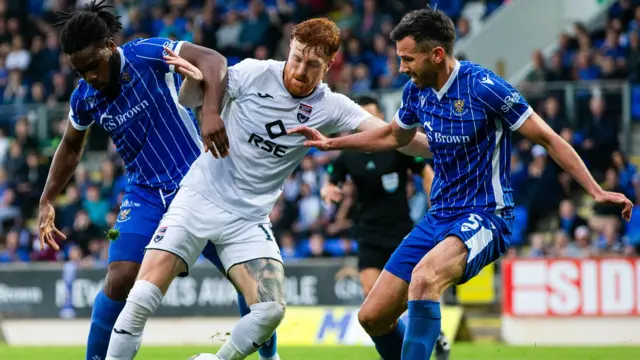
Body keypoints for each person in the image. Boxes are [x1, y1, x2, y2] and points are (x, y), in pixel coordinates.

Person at [290, 7, 633, 360]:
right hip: (438, 217)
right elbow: (395, 136)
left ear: (436, 54)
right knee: (373, 317)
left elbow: (549, 139)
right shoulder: (415, 93)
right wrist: (332, 142)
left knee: (424, 279)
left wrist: (595, 190)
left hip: (486, 215)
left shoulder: (485, 88)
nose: (402, 68)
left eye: (408, 59)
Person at [105, 17, 430, 360]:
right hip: (199, 197)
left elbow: (394, 138)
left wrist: (447, 144)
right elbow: (191, 99)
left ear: (330, 65)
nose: (301, 70)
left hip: (248, 218)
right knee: (140, 297)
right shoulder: (252, 72)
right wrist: (193, 82)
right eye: (297, 58)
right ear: (289, 48)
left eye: (313, 64)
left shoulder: (331, 107)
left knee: (271, 310)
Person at [37, 2, 279, 360]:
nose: (88, 76)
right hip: (145, 194)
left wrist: (210, 112)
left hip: (200, 185)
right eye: (79, 71)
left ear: (108, 45)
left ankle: (268, 357)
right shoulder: (85, 97)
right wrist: (46, 200)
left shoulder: (146, 54)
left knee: (252, 281)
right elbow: (71, 147)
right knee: (119, 277)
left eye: (92, 66)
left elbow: (213, 61)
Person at [321, 94, 449, 360]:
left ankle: (429, 334)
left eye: (373, 118)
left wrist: (438, 206)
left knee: (411, 291)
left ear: (381, 119)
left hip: (400, 230)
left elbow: (425, 172)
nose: (368, 125)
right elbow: (332, 180)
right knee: (372, 294)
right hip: (367, 231)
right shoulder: (349, 156)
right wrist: (329, 190)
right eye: (362, 119)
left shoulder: (398, 148)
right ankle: (408, 343)